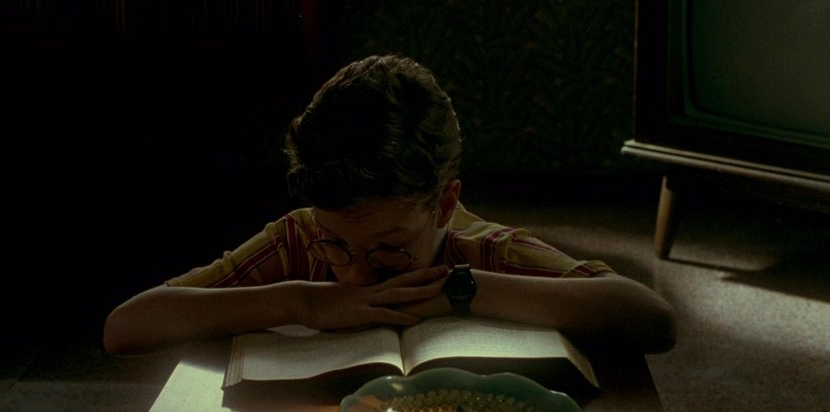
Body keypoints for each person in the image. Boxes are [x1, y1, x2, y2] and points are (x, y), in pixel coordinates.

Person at [103, 54, 676, 356]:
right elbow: (125, 327)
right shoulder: (300, 239)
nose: (356, 277)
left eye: (389, 250)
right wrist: (304, 301)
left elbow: (652, 319)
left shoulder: (481, 251)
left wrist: (462, 290)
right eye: (338, 246)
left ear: (444, 204)